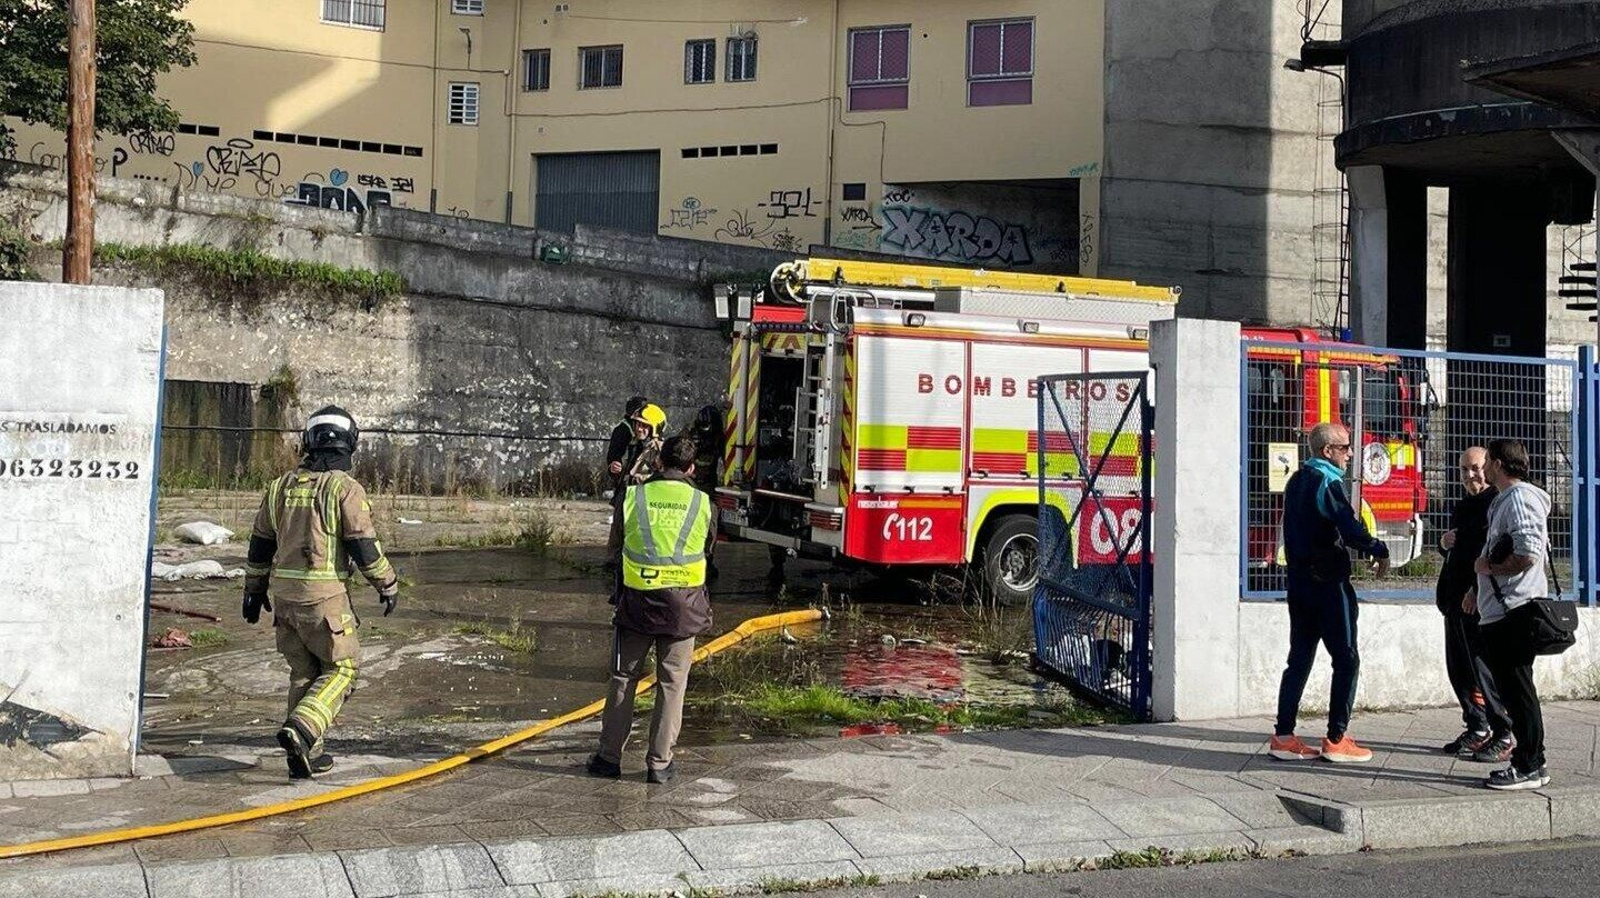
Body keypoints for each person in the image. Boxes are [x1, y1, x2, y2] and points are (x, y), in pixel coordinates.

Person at [243, 406, 399, 779]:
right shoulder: (344, 489)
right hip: (324, 600)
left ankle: (306, 755)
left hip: (285, 600)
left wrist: (253, 590)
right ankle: (303, 729)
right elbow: (363, 546)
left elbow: (260, 544)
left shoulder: (278, 487)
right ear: (348, 444)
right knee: (343, 668)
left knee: (304, 673)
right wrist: (388, 584)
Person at [588, 436, 714, 784]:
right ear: (691, 468)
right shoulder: (703, 503)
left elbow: (614, 551)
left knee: (623, 679)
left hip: (637, 603)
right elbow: (708, 549)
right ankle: (659, 764)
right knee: (672, 684)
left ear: (658, 464)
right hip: (683, 608)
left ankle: (608, 759)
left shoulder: (633, 497)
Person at [1268, 422, 1390, 764]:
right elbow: (1349, 526)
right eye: (1346, 447)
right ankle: (1337, 738)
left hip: (1299, 584)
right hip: (1329, 585)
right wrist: (1377, 548)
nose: (1351, 454)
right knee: (1347, 658)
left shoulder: (1296, 481)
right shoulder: (1328, 482)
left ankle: (1283, 736)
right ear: (1327, 451)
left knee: (1299, 659)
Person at [1465, 438, 1553, 791]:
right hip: (1503, 610)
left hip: (1515, 610)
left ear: (1499, 464)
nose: (1482, 468)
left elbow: (1528, 552)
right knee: (1515, 691)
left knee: (1518, 693)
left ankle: (1530, 765)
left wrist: (1489, 567)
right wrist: (1478, 584)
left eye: (1487, 461)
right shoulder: (1507, 499)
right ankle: (1530, 761)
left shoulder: (1519, 498)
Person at [1436, 447, 1512, 760]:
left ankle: (1504, 732)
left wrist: (1473, 590)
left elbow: (1492, 551)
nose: (1470, 476)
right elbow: (1459, 549)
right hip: (1454, 601)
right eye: (1464, 470)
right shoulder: (1465, 505)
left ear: (1490, 468)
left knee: (1484, 671)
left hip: (1477, 601)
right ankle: (1477, 727)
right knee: (1460, 669)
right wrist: (1443, 543)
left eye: (1476, 468)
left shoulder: (1495, 504)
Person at [606, 403, 667, 569]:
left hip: (641, 501)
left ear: (655, 428)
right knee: (618, 531)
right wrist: (614, 469)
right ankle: (615, 563)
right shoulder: (638, 445)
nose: (639, 429)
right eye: (638, 424)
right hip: (627, 494)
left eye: (644, 426)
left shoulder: (658, 450)